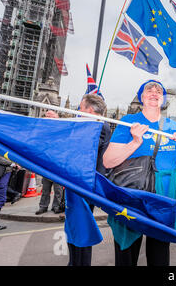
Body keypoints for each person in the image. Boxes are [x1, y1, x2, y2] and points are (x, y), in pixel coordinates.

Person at [102, 80, 176, 266]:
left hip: (164, 196)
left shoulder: (172, 125)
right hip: (134, 194)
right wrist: (135, 141)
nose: (154, 92)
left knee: (160, 253)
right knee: (127, 252)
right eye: (148, 89)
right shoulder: (127, 121)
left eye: (159, 90)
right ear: (141, 97)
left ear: (163, 99)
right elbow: (108, 161)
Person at [66, 94, 111, 266]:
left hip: (85, 186)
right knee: (74, 226)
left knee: (82, 229)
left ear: (90, 110)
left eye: (80, 108)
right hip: (76, 184)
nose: (78, 111)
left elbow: (95, 158)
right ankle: (74, 262)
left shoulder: (100, 126)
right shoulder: (89, 125)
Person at [35, 110, 64, 215]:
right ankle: (43, 206)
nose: (48, 118)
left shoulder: (61, 130)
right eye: (47, 116)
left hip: (58, 166)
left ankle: (56, 206)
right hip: (47, 166)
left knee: (58, 189)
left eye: (51, 116)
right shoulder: (45, 132)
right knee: (45, 189)